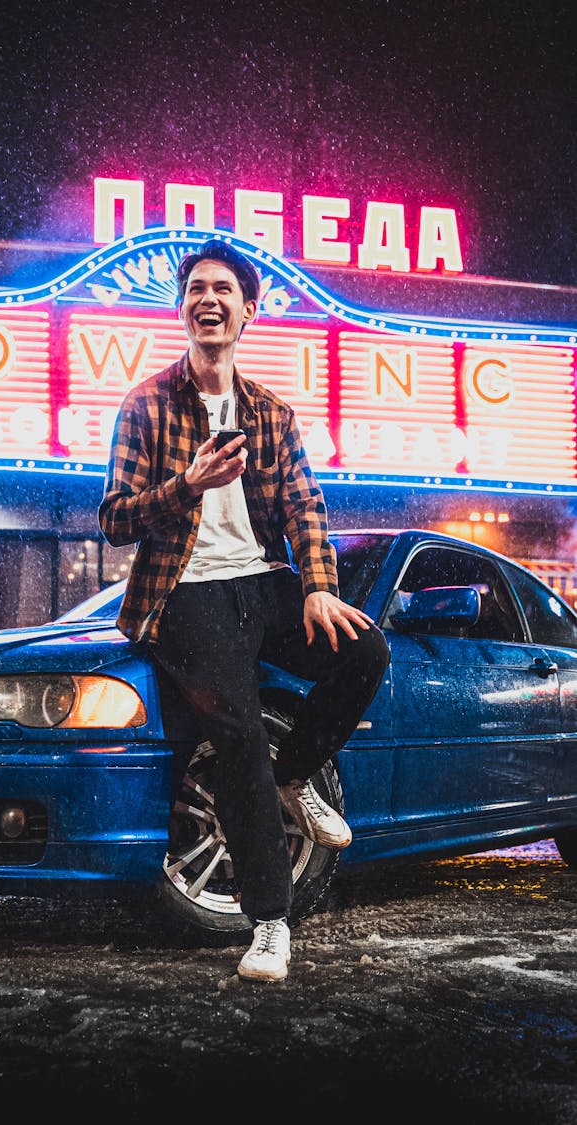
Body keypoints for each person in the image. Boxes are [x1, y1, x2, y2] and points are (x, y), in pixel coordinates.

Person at [99, 239, 389, 982]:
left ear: (247, 311)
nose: (208, 299)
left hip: (259, 582)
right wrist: (185, 486)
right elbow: (114, 519)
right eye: (196, 288)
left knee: (365, 649)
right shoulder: (146, 405)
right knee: (236, 732)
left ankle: (296, 774)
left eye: (223, 289)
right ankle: (270, 921)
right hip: (181, 593)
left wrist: (319, 584)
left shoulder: (271, 413)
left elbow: (305, 509)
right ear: (182, 308)